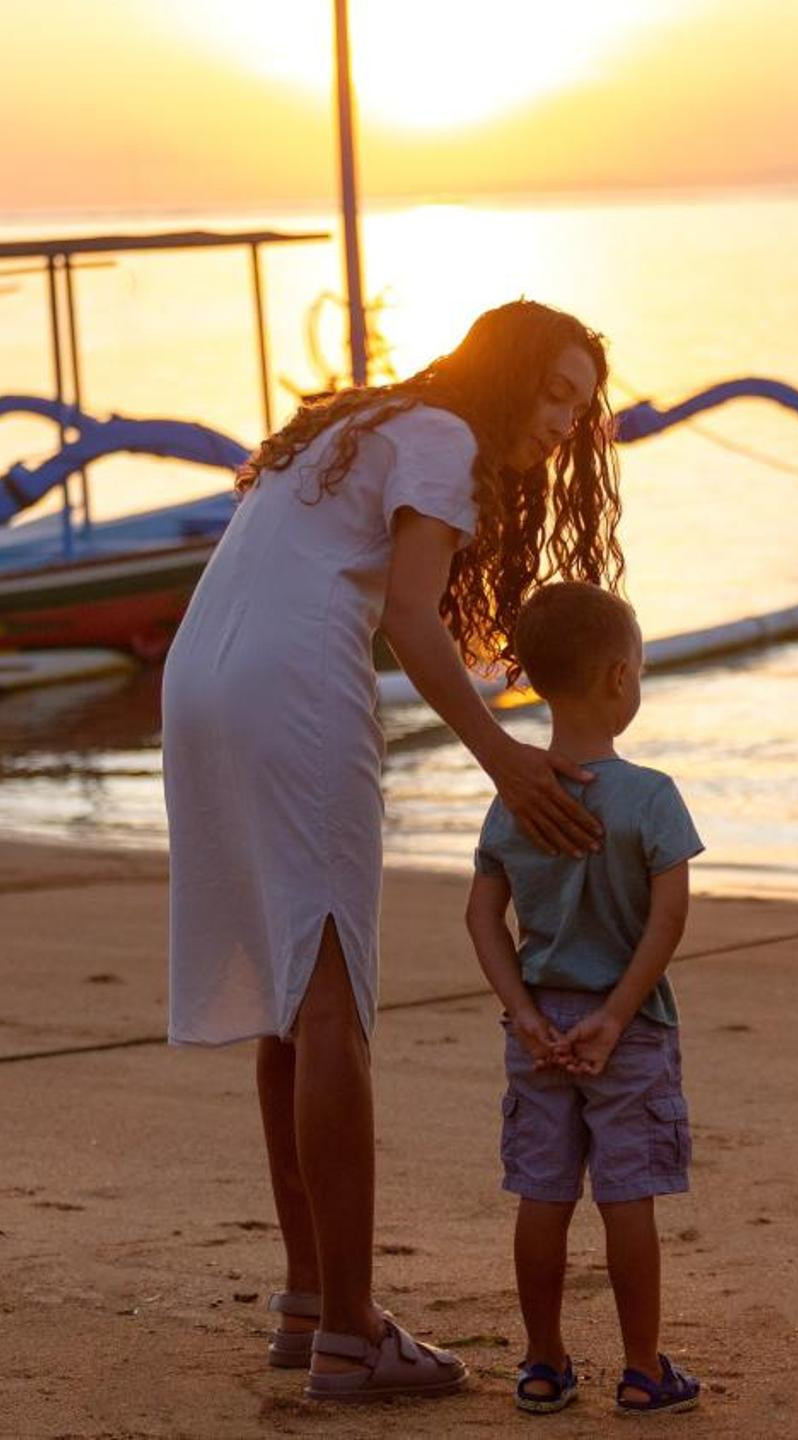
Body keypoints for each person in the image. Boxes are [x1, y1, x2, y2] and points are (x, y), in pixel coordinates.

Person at [164, 300, 624, 1403]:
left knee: (292, 997)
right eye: (556, 393)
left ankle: (310, 1299)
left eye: (579, 408)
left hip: (200, 684)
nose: (564, 423)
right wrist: (507, 761)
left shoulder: (361, 424)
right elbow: (414, 619)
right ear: (508, 374)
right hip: (293, 693)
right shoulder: (446, 438)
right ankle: (352, 1332)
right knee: (330, 999)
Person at [466, 581, 704, 1417]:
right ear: (617, 677)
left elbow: (482, 917)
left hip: (540, 1030)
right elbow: (668, 919)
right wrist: (616, 1015)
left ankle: (542, 1363)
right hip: (624, 1030)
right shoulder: (651, 796)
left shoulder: (516, 794)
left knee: (543, 1193)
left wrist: (525, 1014)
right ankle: (642, 1370)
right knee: (627, 1196)